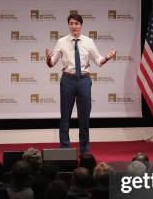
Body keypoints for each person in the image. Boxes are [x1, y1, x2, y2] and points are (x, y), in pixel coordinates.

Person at [46, 13, 116, 155]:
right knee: (65, 116)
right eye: (71, 23)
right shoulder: (62, 42)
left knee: (84, 117)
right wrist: (48, 59)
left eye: (76, 23)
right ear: (68, 25)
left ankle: (84, 151)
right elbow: (51, 63)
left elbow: (98, 61)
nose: (74, 26)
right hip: (68, 80)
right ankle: (65, 149)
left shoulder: (88, 41)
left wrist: (107, 57)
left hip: (84, 80)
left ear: (81, 25)